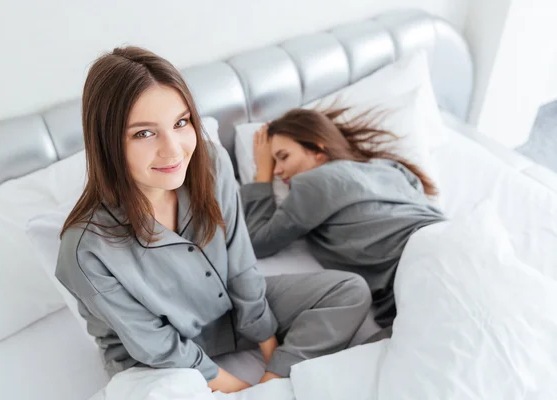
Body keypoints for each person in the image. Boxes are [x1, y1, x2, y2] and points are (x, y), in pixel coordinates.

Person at [55, 46, 373, 394]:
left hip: (227, 312)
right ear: (107, 143)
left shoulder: (210, 164)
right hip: (155, 361)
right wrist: (239, 389)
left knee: (351, 291)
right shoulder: (85, 250)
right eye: (144, 133)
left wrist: (271, 364)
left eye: (181, 123)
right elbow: (156, 345)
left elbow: (240, 264)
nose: (173, 149)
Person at [240, 107, 446, 329]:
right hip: (445, 239)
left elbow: (258, 241)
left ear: (317, 148)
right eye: (273, 163)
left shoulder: (314, 182)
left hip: (423, 262)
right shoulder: (388, 167)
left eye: (283, 157)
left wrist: (262, 173)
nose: (277, 171)